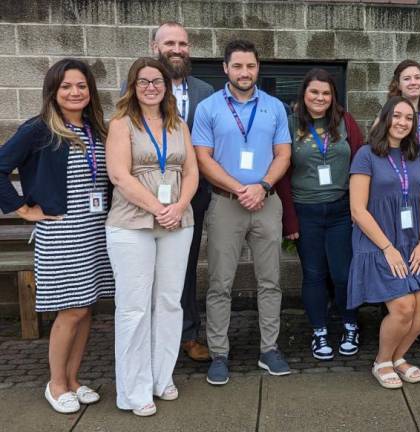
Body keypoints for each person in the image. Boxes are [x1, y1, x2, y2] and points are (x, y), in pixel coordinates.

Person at [0, 59, 113, 414]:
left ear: (90, 91)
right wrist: (23, 208)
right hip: (62, 233)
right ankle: (56, 383)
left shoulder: (97, 128)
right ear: (53, 90)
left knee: (86, 308)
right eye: (66, 86)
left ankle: (75, 379)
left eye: (81, 86)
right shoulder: (38, 129)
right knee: (71, 310)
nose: (75, 92)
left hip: (96, 230)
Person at [192, 40, 292, 384]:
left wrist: (262, 186)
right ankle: (219, 353)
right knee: (220, 282)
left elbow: (283, 154)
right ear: (225, 69)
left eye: (250, 66)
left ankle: (269, 349)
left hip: (267, 201)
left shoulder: (276, 107)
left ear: (258, 67)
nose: (244, 73)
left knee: (270, 281)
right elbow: (202, 159)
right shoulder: (208, 108)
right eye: (237, 66)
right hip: (225, 204)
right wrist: (240, 188)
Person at [106, 57, 198, 416]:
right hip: (132, 223)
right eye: (143, 81)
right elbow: (119, 175)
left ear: (167, 86)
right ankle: (133, 389)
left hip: (177, 221)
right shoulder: (121, 124)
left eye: (156, 80)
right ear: (133, 85)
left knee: (170, 303)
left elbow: (191, 172)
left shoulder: (178, 124)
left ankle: (162, 377)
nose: (150, 87)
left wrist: (178, 207)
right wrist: (157, 208)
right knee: (133, 308)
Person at [275, 68, 365, 360]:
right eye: (314, 92)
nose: (320, 98)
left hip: (341, 211)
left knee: (342, 274)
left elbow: (360, 164)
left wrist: (357, 208)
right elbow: (283, 174)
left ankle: (350, 324)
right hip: (306, 211)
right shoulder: (289, 125)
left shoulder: (346, 122)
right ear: (304, 93)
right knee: (314, 274)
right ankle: (319, 331)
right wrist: (289, 218)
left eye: (326, 93)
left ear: (333, 96)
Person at [348, 96, 420, 388]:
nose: (402, 122)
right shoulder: (366, 154)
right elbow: (358, 210)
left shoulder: (414, 155)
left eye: (408, 118)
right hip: (379, 243)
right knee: (403, 307)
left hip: (414, 242)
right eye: (397, 116)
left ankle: (399, 358)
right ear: (386, 118)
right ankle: (382, 361)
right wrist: (388, 249)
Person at [150, 21, 215, 362]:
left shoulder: (205, 92)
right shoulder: (138, 87)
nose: (177, 49)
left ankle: (188, 333)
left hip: (193, 196)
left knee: (185, 266)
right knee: (148, 268)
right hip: (147, 196)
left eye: (183, 43)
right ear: (154, 47)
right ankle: (152, 338)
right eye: (169, 43)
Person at [385, 59, 420, 349]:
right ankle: (398, 317)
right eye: (407, 78)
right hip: (396, 194)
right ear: (398, 83)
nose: (413, 82)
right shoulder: (390, 115)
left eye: (418, 77)